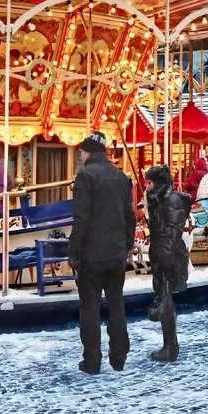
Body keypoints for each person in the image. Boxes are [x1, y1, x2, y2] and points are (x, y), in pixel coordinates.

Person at [69, 131, 135, 375]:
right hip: (116, 254)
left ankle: (92, 361)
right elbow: (129, 216)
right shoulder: (120, 176)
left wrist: (74, 251)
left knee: (90, 308)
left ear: (89, 152)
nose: (80, 154)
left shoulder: (85, 176)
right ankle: (118, 357)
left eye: (82, 151)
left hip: (92, 254)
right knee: (117, 306)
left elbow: (82, 218)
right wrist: (127, 245)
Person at [144, 165, 191, 362]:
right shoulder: (157, 200)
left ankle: (171, 347)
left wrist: (163, 259)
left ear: (159, 183)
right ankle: (169, 345)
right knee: (165, 301)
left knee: (165, 301)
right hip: (161, 257)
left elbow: (172, 234)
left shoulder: (171, 201)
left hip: (170, 258)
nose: (146, 187)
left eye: (149, 183)